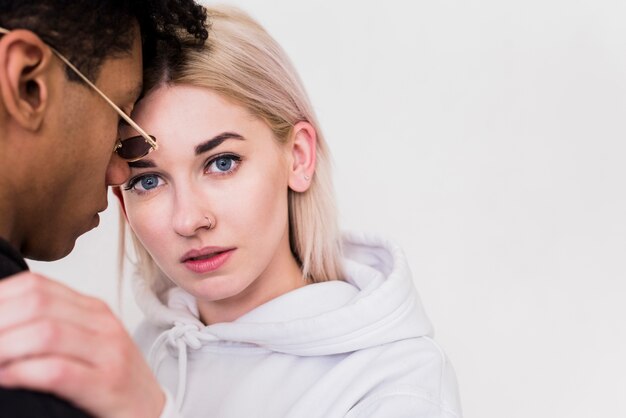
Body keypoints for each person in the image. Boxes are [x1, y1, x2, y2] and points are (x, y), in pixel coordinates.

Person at [116, 6, 462, 418]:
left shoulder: (395, 383)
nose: (190, 220)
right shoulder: (143, 350)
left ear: (298, 157)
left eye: (222, 162)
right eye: (148, 181)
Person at [0, 1, 208, 417]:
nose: (118, 173)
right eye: (119, 118)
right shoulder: (34, 372)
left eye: (223, 163)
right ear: (28, 83)